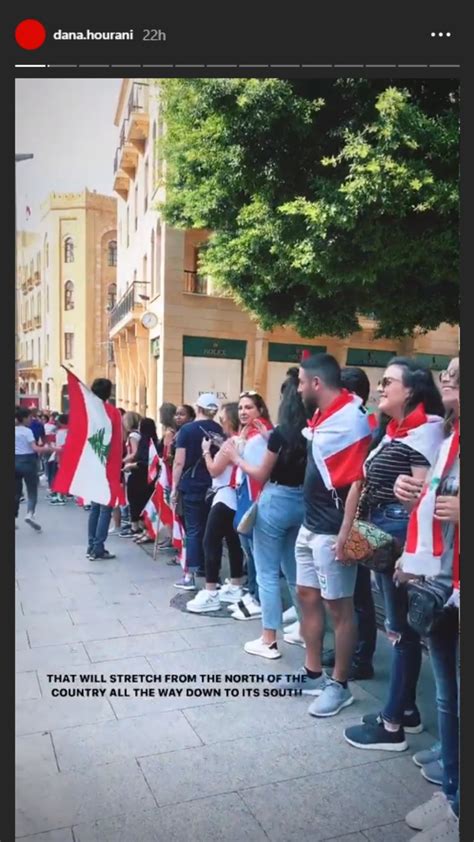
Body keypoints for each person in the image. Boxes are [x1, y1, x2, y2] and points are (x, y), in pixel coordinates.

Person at [343, 357, 445, 750]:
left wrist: (410, 555)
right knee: (399, 629)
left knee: (400, 632)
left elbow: (422, 500)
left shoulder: (424, 433)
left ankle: (391, 727)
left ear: (412, 391)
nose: (381, 387)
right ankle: (405, 711)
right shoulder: (397, 430)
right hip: (385, 534)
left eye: (389, 381)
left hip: (399, 538)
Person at [275, 353, 372, 717]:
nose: (298, 388)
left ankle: (339, 684)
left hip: (332, 531)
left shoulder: (352, 419)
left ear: (316, 383)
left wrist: (345, 534)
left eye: (300, 382)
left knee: (339, 608)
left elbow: (357, 481)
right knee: (307, 597)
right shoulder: (323, 416)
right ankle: (313, 673)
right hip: (311, 525)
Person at [395, 357, 459, 841]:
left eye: (461, 370)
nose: (449, 378)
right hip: (439, 580)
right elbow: (430, 502)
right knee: (447, 693)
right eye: (448, 370)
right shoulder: (448, 437)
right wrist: (408, 494)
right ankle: (454, 791)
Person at [224, 377, 307, 658]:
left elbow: (260, 474)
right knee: (295, 572)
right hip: (302, 502)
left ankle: (269, 639)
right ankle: (306, 630)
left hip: (276, 501)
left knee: (268, 573)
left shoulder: (280, 434)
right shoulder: (313, 431)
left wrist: (236, 459)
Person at [322, 366, 379, 680]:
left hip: (360, 518)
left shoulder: (365, 424)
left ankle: (360, 657)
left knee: (358, 594)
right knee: (345, 592)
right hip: (342, 514)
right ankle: (350, 649)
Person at [186, 402, 244, 612]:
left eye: (222, 419)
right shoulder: (241, 440)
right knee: (232, 541)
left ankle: (211, 591)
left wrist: (206, 452)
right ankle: (236, 584)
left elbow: (213, 470)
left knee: (210, 541)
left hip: (224, 496)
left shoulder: (231, 443)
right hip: (235, 496)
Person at [228, 391, 273, 620]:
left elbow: (253, 467)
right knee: (249, 548)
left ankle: (257, 598)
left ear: (260, 410)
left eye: (249, 407)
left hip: (255, 495)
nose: (243, 412)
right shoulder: (250, 432)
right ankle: (253, 592)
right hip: (246, 491)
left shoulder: (261, 435)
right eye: (241, 408)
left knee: (254, 549)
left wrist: (236, 453)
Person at [171, 393, 223, 590]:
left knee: (193, 530)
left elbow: (178, 461)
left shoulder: (187, 430)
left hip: (191, 485)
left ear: (198, 408)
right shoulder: (220, 430)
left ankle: (189, 575)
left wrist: (174, 488)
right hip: (214, 485)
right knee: (212, 531)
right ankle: (211, 573)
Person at [86, 378, 123, 561]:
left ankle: (91, 545)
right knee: (105, 509)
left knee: (94, 508)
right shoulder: (112, 412)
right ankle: (98, 548)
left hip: (93, 464)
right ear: (109, 393)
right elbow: (116, 439)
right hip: (109, 465)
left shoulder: (89, 412)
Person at [15, 407, 51, 531]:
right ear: (24, 418)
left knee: (16, 492)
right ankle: (30, 513)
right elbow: (35, 448)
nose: (31, 419)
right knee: (32, 491)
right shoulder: (27, 431)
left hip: (14, 462)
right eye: (30, 417)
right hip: (28, 462)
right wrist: (49, 449)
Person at [127, 417, 160, 545]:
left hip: (140, 477)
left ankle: (146, 530)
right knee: (144, 504)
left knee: (139, 504)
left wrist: (131, 465)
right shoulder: (153, 440)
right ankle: (145, 531)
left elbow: (146, 462)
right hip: (146, 478)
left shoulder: (145, 442)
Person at [119, 412, 142, 538]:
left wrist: (123, 461)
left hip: (132, 468)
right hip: (133, 468)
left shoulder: (133, 435)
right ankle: (135, 523)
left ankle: (135, 526)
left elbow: (135, 453)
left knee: (132, 497)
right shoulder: (137, 434)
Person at [49, 414, 69, 505]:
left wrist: (57, 457)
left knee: (58, 476)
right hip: (69, 456)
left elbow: (59, 446)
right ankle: (63, 495)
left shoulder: (60, 432)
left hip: (61, 455)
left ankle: (60, 496)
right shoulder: (71, 432)